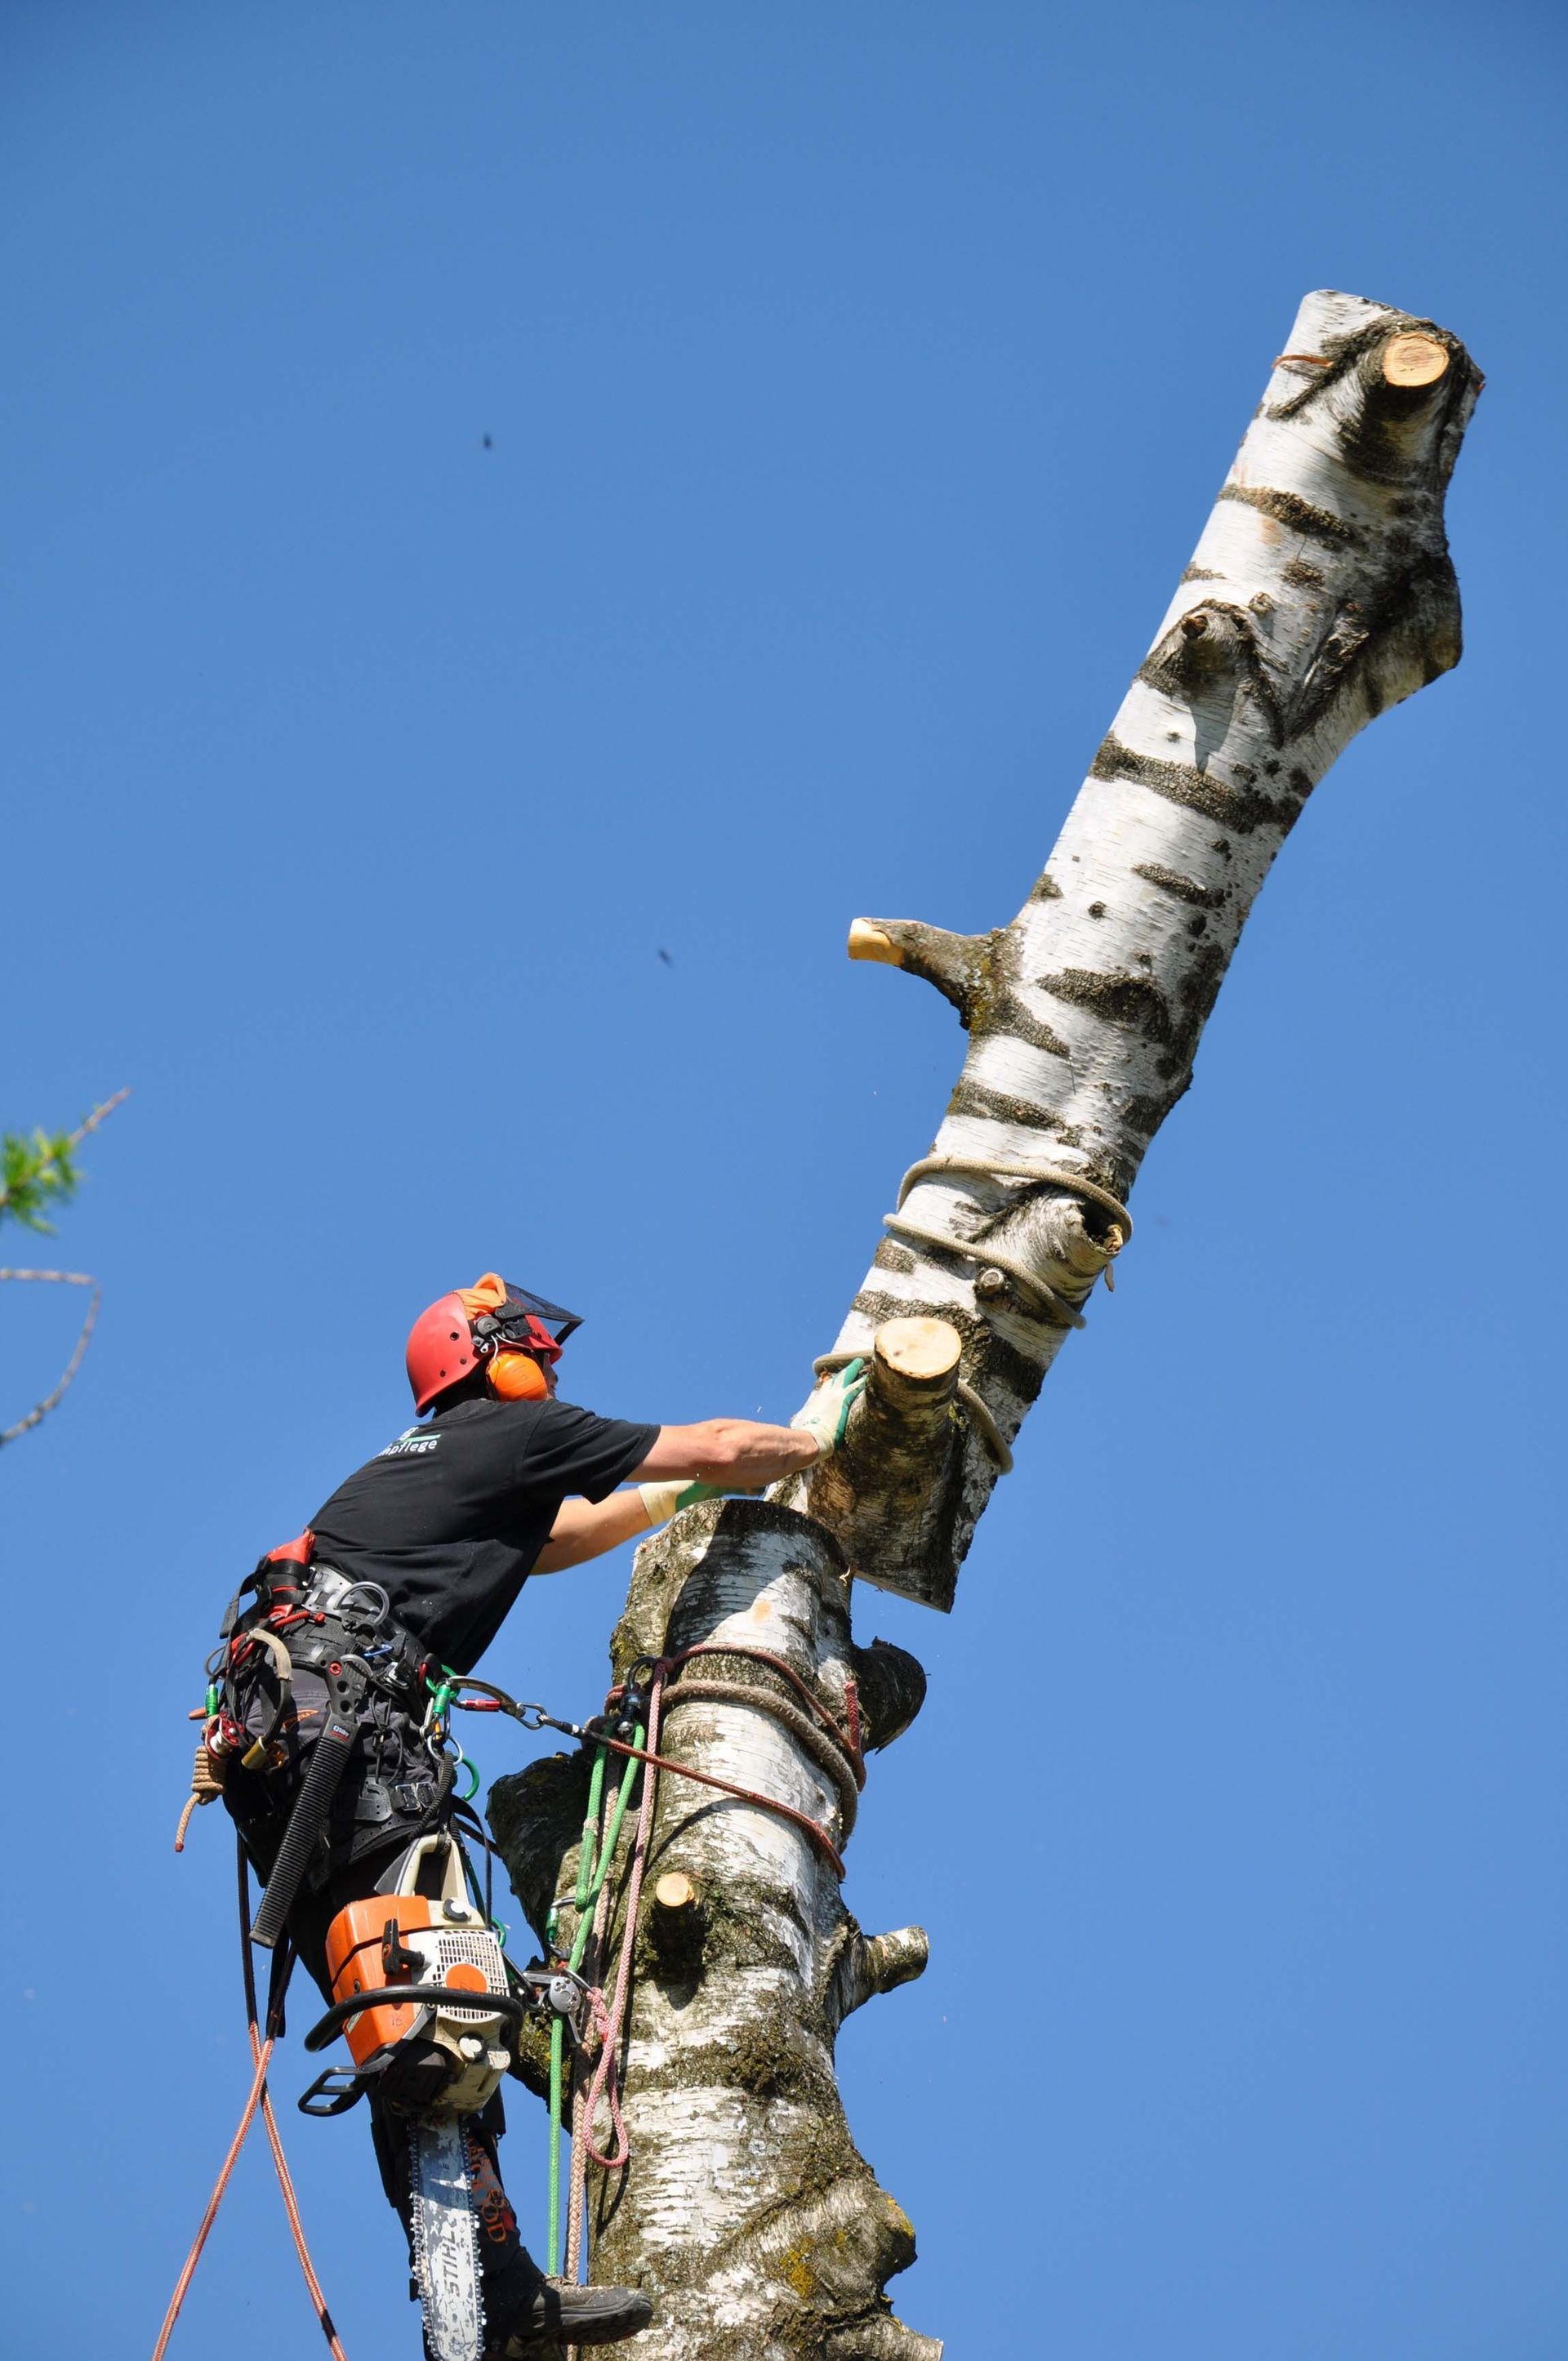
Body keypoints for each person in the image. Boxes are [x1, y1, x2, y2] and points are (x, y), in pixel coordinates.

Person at [219, 1272, 866, 2357]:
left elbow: (559, 1538)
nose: (551, 1368)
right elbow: (706, 1442)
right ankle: (483, 2288)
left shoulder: (433, 1466)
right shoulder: (509, 1430)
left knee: (408, 2008)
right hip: (348, 1731)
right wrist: (813, 1441)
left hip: (286, 1746)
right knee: (433, 1986)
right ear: (486, 1354)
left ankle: (481, 2282)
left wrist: (679, 1502)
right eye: (533, 1349)